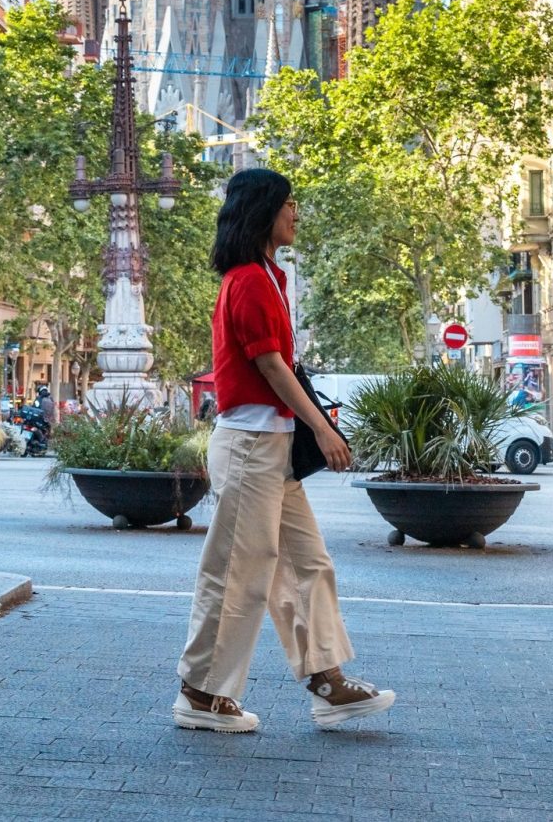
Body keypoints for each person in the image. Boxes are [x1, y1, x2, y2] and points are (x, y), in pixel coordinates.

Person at [175, 168, 394, 734]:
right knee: (238, 574)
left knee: (306, 564)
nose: (296, 212)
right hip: (249, 445)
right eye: (288, 203)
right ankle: (201, 693)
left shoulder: (271, 276)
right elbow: (270, 365)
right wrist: (322, 427)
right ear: (264, 211)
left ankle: (328, 681)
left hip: (268, 447)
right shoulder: (247, 280)